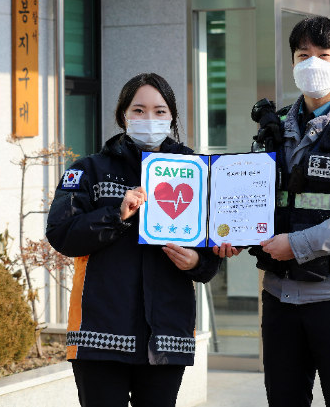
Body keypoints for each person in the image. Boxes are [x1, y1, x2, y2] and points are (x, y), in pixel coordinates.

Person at [216, 16, 330, 406]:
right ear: (294, 63)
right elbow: (254, 198)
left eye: (324, 55)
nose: (312, 63)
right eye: (303, 55)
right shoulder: (275, 127)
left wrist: (297, 245)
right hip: (280, 294)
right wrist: (229, 234)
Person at [47, 73, 233, 407]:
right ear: (123, 115)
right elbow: (61, 234)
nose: (150, 119)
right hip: (99, 332)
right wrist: (116, 214)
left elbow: (209, 252)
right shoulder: (89, 170)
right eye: (139, 110)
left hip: (166, 335)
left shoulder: (197, 171)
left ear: (172, 117)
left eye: (160, 112)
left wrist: (199, 262)